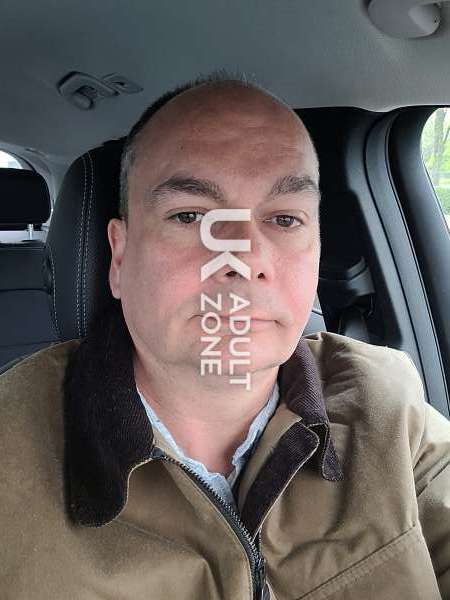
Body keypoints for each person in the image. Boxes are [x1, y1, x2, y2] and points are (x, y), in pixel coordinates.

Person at [1, 74, 449, 600]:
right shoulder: (12, 454)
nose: (242, 259)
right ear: (119, 258)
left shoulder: (388, 405)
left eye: (284, 219)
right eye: (191, 216)